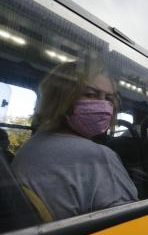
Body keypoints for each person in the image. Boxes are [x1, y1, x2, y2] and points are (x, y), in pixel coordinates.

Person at [12, 60, 139, 221]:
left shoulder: (29, 147)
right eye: (90, 94)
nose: (104, 105)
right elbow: (131, 226)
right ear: (61, 97)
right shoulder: (98, 156)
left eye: (109, 98)